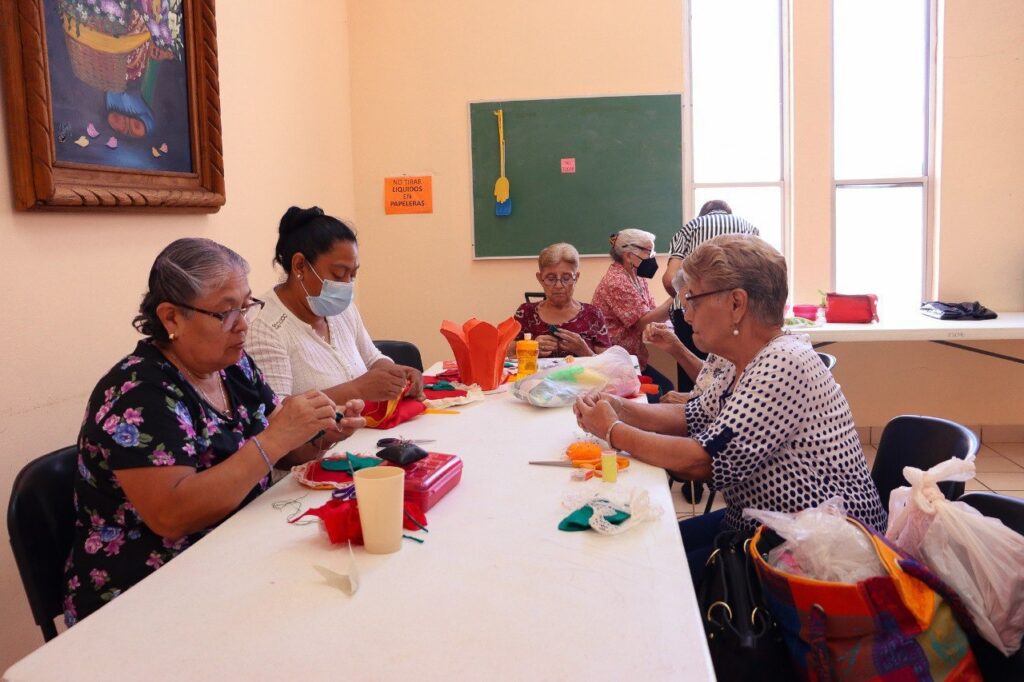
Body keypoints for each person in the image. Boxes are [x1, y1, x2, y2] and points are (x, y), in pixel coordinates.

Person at [64, 238, 364, 625]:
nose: (243, 324)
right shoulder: (138, 394)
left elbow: (285, 450)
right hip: (145, 592)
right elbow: (173, 515)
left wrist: (321, 431)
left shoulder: (234, 367)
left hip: (234, 555)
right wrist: (273, 439)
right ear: (172, 318)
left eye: (246, 305)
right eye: (225, 312)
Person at [575, 234, 886, 584]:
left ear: (737, 304)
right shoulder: (733, 358)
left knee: (651, 576)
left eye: (692, 300)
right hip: (757, 525)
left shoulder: (784, 362)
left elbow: (701, 460)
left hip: (812, 552)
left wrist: (613, 430)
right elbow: (691, 417)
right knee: (645, 549)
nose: (686, 314)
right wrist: (618, 407)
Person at [246, 206, 424, 403]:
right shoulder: (264, 327)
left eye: (353, 274)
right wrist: (357, 390)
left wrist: (397, 373)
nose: (346, 284)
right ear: (300, 266)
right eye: (339, 274)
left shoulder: (342, 309)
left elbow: (372, 359)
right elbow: (276, 413)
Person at [662, 200, 759, 392]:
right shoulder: (750, 228)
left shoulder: (690, 227)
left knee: (690, 387)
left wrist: (687, 300)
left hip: (712, 309)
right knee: (711, 379)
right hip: (734, 314)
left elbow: (669, 278)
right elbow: (710, 398)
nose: (689, 316)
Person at [591, 228, 673, 398]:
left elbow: (651, 311)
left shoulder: (637, 276)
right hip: (616, 366)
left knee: (666, 387)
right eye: (649, 252)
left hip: (632, 361)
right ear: (629, 255)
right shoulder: (617, 281)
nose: (652, 258)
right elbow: (642, 322)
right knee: (664, 390)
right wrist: (676, 297)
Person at [511, 242, 611, 358]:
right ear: (540, 278)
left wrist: (585, 352)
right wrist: (530, 349)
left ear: (576, 278)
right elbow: (504, 356)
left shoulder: (593, 315)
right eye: (551, 278)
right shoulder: (526, 314)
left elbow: (608, 365)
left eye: (566, 278)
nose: (558, 285)